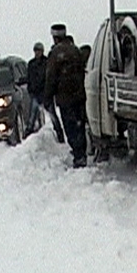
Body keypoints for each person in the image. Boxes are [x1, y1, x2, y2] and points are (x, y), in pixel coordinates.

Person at [44, 23, 87, 168]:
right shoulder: (76, 50)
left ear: (55, 37)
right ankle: (81, 152)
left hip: (65, 98)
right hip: (80, 95)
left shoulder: (55, 54)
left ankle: (78, 154)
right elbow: (83, 70)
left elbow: (51, 77)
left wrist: (48, 97)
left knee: (70, 126)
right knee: (79, 124)